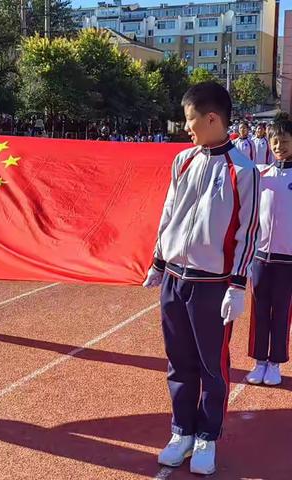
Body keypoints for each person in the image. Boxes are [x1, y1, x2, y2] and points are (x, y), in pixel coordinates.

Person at [143, 82, 259, 475]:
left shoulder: (242, 170)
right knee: (179, 361)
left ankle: (208, 435)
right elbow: (169, 213)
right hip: (176, 277)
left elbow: (247, 231)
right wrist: (158, 261)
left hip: (212, 285)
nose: (185, 127)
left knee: (212, 365)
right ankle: (182, 431)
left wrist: (238, 285)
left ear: (212, 119)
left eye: (190, 120)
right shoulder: (182, 160)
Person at [246, 118, 292, 386]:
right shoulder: (261, 175)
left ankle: (275, 363)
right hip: (261, 258)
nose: (279, 146)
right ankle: (259, 360)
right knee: (260, 311)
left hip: (288, 260)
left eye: (285, 141)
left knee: (282, 311)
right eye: (275, 141)